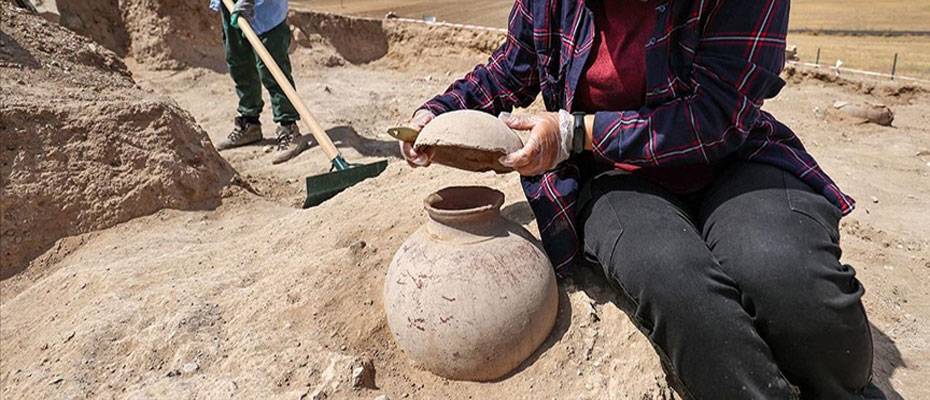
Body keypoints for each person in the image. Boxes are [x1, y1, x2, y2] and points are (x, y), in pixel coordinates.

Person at [402, 1, 882, 399]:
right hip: (613, 172)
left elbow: (714, 117)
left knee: (789, 284)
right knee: (676, 281)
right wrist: (439, 111)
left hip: (733, 155)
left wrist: (573, 132)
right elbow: (512, 66)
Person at [210, 0, 308, 164]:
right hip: (231, 6)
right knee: (239, 62)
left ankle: (289, 128)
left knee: (272, 68)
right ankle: (250, 123)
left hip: (264, 8)